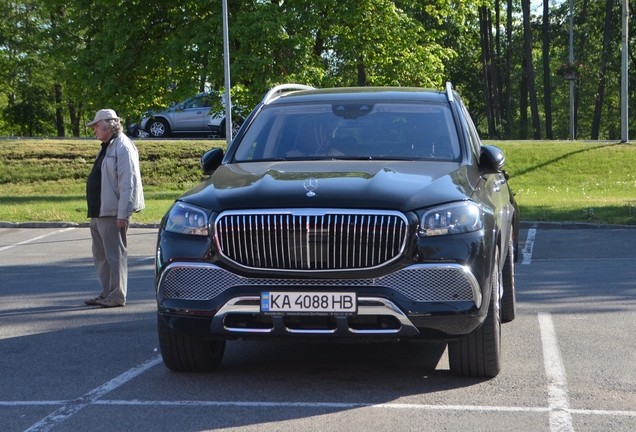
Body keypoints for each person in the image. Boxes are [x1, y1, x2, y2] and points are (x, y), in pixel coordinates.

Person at [84, 109, 145, 308]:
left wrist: (123, 213)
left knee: (115, 255)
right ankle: (107, 292)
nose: (94, 130)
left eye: (96, 126)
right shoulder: (107, 146)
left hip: (112, 212)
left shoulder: (123, 147)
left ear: (108, 125)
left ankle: (117, 296)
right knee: (100, 256)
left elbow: (129, 184)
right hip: (99, 211)